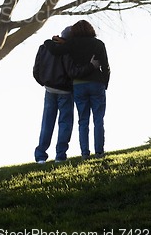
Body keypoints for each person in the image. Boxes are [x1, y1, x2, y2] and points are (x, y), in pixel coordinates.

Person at [44, 20, 110, 159]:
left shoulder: (72, 44)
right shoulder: (98, 44)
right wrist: (105, 83)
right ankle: (99, 152)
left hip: (79, 85)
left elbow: (56, 50)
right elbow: (105, 66)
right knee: (98, 119)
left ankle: (85, 153)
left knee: (83, 120)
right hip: (96, 83)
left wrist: (48, 41)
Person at [34, 26, 99, 164]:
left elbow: (36, 70)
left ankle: (40, 156)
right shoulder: (68, 50)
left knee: (47, 123)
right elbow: (72, 72)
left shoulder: (43, 47)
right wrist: (91, 66)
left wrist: (45, 82)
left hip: (49, 89)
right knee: (65, 124)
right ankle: (60, 156)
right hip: (65, 91)